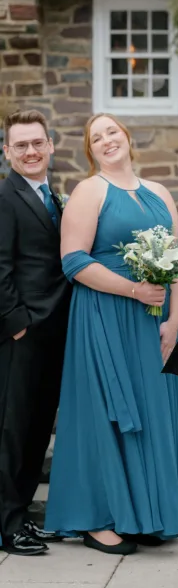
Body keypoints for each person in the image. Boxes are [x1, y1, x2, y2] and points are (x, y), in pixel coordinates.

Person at [44, 114, 178, 555]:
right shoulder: (91, 191)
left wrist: (174, 320)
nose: (107, 140)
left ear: (126, 137)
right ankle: (99, 518)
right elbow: (72, 261)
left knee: (153, 412)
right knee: (104, 412)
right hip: (105, 315)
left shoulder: (160, 192)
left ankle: (147, 516)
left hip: (155, 322)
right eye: (96, 138)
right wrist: (132, 288)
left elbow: (177, 261)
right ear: (91, 151)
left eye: (112, 131)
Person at [0, 110, 71, 555]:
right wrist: (17, 323)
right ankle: (7, 525)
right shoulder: (5, 198)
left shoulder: (52, 197)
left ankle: (21, 515)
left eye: (37, 143)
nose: (30, 151)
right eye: (20, 145)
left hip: (54, 333)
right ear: (7, 152)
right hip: (21, 336)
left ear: (50, 145)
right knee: (12, 429)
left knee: (37, 428)